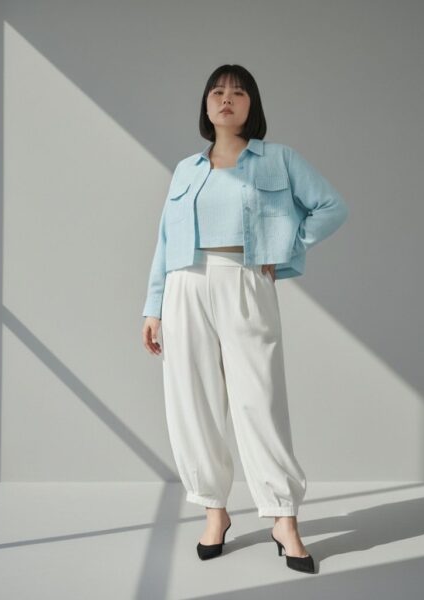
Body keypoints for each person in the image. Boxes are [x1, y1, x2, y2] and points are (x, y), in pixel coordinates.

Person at [141, 64, 348, 574]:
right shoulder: (186, 169)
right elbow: (164, 241)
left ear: (252, 103)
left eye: (238, 91)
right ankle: (215, 512)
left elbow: (331, 207)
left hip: (244, 280)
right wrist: (153, 306)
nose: (226, 98)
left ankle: (283, 519)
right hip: (185, 285)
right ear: (206, 105)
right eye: (217, 91)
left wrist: (287, 248)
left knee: (260, 400)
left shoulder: (278, 159)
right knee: (193, 402)